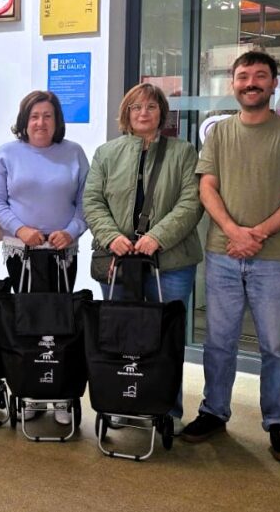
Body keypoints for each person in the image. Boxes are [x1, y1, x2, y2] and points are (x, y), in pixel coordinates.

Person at [181, 50, 280, 464]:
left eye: (260, 76)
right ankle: (213, 411)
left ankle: (278, 421)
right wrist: (233, 231)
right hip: (223, 255)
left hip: (272, 257)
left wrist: (256, 234)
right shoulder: (219, 132)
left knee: (274, 346)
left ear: (274, 83)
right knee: (218, 342)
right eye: (243, 76)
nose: (251, 83)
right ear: (233, 84)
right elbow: (207, 188)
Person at [83, 83, 203, 432]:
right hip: (118, 260)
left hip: (171, 263)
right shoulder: (106, 153)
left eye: (151, 107)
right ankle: (121, 402)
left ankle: (168, 408)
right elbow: (92, 200)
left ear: (162, 112)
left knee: (166, 338)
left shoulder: (183, 152)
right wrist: (111, 236)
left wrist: (157, 238)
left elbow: (191, 202)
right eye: (135, 107)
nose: (143, 113)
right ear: (126, 114)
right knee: (119, 335)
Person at [0, 90, 88, 426]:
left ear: (57, 120)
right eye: (34, 116)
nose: (40, 122)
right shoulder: (7, 153)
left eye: (47, 116)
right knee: (28, 322)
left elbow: (86, 202)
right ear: (24, 121)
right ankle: (30, 390)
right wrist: (21, 229)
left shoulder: (74, 153)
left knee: (60, 323)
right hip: (22, 252)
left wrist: (71, 231)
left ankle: (60, 394)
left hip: (62, 254)